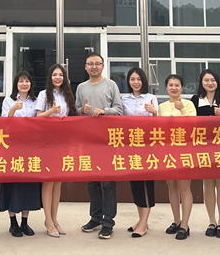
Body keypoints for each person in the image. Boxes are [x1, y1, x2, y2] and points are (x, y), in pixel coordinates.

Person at [76, 53, 123, 239]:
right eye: (90, 64)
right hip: (88, 140)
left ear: (103, 66)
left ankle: (108, 222)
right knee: (92, 181)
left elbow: (119, 109)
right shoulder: (81, 87)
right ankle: (95, 218)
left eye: (97, 63)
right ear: (85, 67)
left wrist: (104, 111)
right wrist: (82, 110)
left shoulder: (111, 85)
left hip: (108, 140)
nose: (94, 66)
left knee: (108, 183)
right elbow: (76, 110)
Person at [191, 69, 220, 239]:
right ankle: (212, 221)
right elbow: (190, 122)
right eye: (206, 80)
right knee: (208, 184)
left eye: (213, 80)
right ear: (201, 82)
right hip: (203, 148)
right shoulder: (195, 100)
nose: (210, 83)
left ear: (217, 82)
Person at [0, 71, 42, 237]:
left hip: (30, 149)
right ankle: (13, 222)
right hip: (12, 148)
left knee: (28, 184)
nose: (24, 84)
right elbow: (3, 123)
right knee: (12, 183)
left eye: (27, 81)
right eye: (21, 81)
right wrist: (12, 110)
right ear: (16, 84)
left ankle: (24, 222)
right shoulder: (8, 100)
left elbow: (40, 122)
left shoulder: (35, 101)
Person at [36, 63, 77, 237]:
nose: (58, 77)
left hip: (63, 141)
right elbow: (38, 116)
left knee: (58, 181)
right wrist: (51, 111)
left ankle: (55, 219)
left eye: (60, 75)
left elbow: (73, 115)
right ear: (50, 77)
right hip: (47, 142)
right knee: (48, 180)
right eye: (54, 75)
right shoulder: (43, 94)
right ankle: (48, 221)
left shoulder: (68, 94)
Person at [120, 67, 158, 238]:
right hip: (130, 146)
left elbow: (158, 123)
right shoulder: (124, 99)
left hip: (146, 146)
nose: (136, 82)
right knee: (135, 183)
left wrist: (154, 113)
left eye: (139, 79)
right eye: (132, 79)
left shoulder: (151, 98)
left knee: (145, 183)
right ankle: (141, 219)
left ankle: (144, 222)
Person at [158, 74, 197, 240]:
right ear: (166, 87)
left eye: (177, 85)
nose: (174, 88)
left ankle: (185, 225)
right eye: (171, 85)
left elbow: (194, 124)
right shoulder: (161, 106)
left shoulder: (189, 104)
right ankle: (176, 221)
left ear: (182, 87)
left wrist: (182, 109)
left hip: (184, 151)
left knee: (184, 188)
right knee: (172, 187)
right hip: (168, 151)